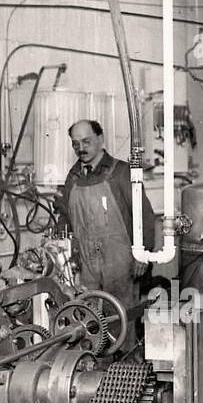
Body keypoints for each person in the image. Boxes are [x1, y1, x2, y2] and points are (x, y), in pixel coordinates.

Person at [60, 119, 156, 308]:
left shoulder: (120, 173)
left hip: (120, 264)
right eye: (75, 143)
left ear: (100, 139)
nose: (81, 148)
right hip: (85, 264)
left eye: (86, 141)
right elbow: (64, 216)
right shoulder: (73, 177)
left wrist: (143, 254)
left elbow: (144, 215)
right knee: (87, 320)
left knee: (121, 319)